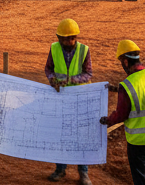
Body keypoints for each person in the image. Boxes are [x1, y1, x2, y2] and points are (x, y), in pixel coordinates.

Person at [100, 39, 145, 185]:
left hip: (140, 142)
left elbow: (121, 114)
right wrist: (117, 90)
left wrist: (108, 120)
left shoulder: (127, 85)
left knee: (141, 180)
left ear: (125, 62)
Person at [45, 19, 93, 184]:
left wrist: (72, 79)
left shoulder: (84, 50)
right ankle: (60, 169)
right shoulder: (54, 49)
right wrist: (53, 81)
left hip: (80, 98)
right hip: (61, 98)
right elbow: (48, 69)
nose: (69, 42)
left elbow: (88, 74)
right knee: (61, 134)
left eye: (72, 38)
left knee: (81, 136)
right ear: (59, 38)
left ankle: (83, 173)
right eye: (66, 39)